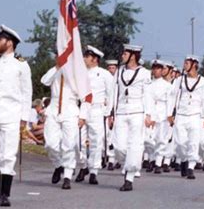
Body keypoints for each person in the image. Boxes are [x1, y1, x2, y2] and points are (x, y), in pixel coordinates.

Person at [0, 25, 32, 206]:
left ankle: (4, 193)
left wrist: (24, 118)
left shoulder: (21, 65)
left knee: (8, 155)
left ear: (9, 43)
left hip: (12, 114)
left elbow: (27, 92)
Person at [110, 44, 152, 191]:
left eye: (125, 53)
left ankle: (129, 178)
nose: (122, 55)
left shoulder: (144, 73)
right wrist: (111, 113)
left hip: (137, 111)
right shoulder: (120, 71)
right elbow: (113, 93)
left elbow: (147, 94)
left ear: (133, 56)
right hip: (121, 111)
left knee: (135, 144)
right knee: (119, 146)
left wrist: (148, 114)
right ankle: (128, 164)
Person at [41, 62, 84, 190]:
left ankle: (67, 176)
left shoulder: (78, 72)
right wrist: (57, 67)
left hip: (70, 108)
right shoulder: (55, 70)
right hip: (54, 108)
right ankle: (58, 165)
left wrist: (83, 115)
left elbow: (85, 95)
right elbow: (45, 81)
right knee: (50, 143)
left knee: (68, 145)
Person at [167, 55, 204, 180]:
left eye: (187, 63)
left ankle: (191, 167)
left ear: (194, 65)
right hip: (181, 114)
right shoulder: (179, 80)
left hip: (195, 115)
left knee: (194, 142)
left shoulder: (203, 81)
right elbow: (172, 96)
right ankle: (184, 160)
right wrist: (170, 113)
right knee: (180, 142)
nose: (184, 65)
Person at [78, 45, 113, 185]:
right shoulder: (80, 73)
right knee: (79, 141)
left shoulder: (104, 74)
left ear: (94, 59)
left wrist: (108, 112)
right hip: (82, 109)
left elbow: (111, 94)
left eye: (87, 56)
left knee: (96, 142)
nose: (84, 59)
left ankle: (94, 171)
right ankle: (83, 165)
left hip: (97, 109)